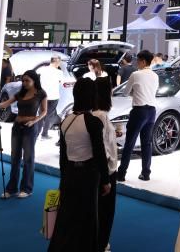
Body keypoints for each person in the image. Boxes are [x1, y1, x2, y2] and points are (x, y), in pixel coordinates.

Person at [48, 78, 111, 252]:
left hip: (69, 174)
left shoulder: (66, 121)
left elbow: (63, 156)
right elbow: (99, 154)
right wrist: (106, 180)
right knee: (88, 216)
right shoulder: (93, 122)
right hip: (88, 175)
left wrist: (63, 178)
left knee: (67, 216)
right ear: (92, 96)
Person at [0, 70, 48, 198]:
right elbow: (5, 103)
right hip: (17, 127)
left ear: (34, 81)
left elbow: (44, 111)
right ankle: (11, 189)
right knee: (15, 158)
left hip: (30, 128)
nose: (24, 83)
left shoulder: (41, 93)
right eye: (23, 80)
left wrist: (34, 121)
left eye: (27, 81)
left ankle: (26, 189)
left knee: (28, 158)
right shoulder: (21, 93)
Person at [116, 50, 159, 182]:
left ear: (144, 61)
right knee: (147, 144)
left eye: (138, 61)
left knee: (129, 143)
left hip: (139, 111)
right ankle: (146, 173)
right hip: (151, 111)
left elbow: (125, 92)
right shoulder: (155, 75)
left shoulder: (136, 74)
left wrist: (135, 94)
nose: (136, 63)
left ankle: (121, 174)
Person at [93, 77, 119, 252]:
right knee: (106, 211)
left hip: (100, 170)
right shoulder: (101, 116)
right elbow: (102, 148)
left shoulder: (95, 114)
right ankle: (101, 244)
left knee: (98, 209)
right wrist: (106, 177)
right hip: (107, 171)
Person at [37, 56, 63, 140]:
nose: (59, 64)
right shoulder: (59, 72)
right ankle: (44, 134)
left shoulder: (42, 69)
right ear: (56, 62)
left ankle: (36, 134)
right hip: (54, 96)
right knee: (48, 115)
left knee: (41, 114)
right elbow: (61, 82)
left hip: (43, 96)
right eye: (59, 62)